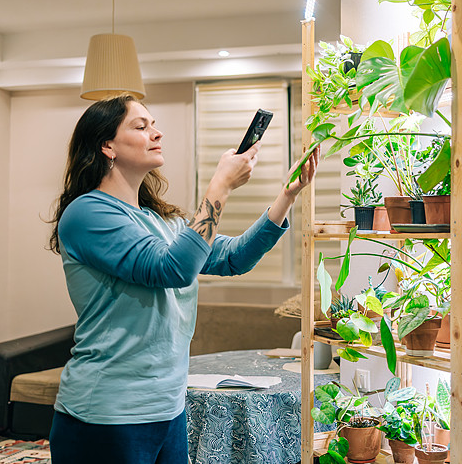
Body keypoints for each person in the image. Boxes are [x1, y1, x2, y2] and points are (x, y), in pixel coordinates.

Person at [46, 94, 318, 464]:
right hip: (108, 411)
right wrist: (218, 187)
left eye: (154, 124)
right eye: (141, 127)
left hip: (169, 408)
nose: (156, 134)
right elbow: (171, 269)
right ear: (107, 145)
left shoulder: (161, 221)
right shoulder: (87, 214)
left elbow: (234, 257)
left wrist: (287, 195)